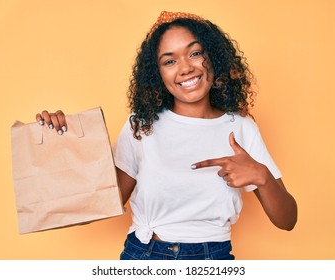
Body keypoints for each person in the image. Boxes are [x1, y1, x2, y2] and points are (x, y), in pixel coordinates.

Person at [36, 11, 297, 260]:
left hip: (212, 258)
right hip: (144, 255)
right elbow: (98, 204)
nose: (185, 68)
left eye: (195, 53)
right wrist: (62, 142)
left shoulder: (240, 128)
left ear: (214, 59)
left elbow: (287, 221)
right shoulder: (142, 125)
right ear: (158, 74)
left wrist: (263, 177)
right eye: (169, 61)